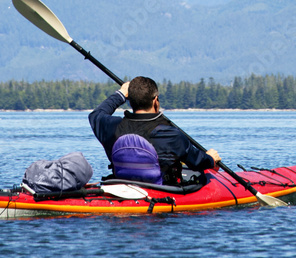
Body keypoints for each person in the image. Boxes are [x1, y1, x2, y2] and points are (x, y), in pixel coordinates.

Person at [88, 76, 221, 186]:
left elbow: (95, 115)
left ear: (130, 101)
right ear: (156, 101)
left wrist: (121, 94)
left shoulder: (112, 126)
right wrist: (210, 158)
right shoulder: (171, 134)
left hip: (122, 185)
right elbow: (197, 162)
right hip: (161, 192)